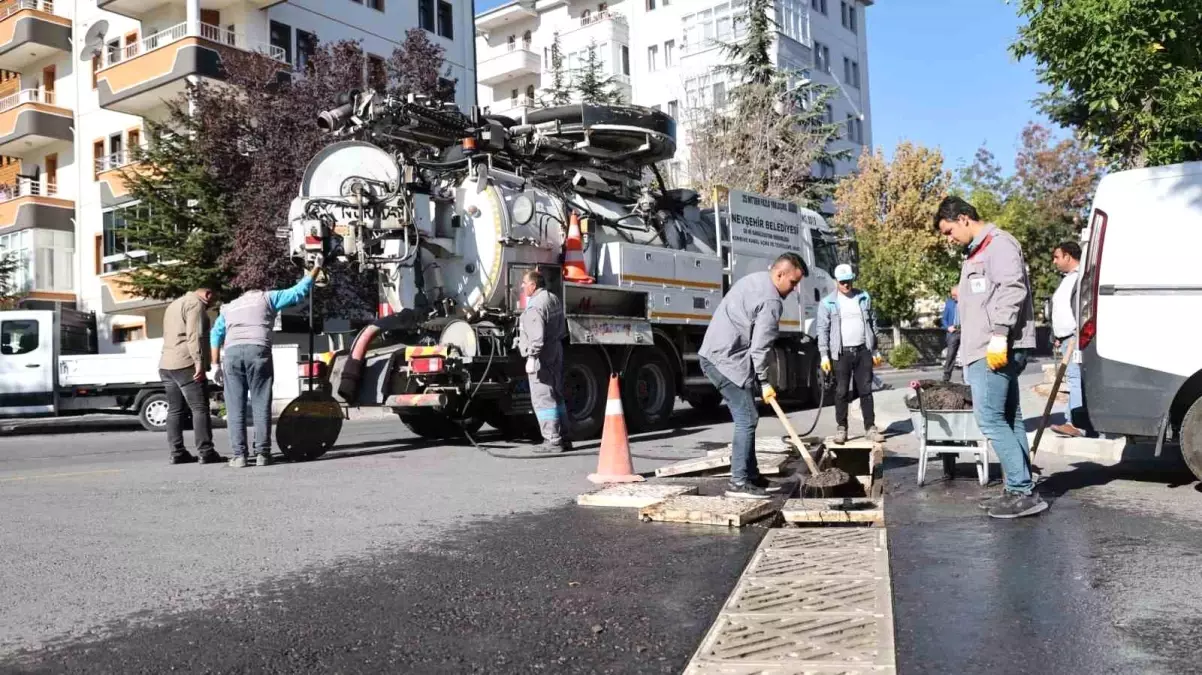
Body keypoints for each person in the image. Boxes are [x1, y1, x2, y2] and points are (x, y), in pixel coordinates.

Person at [935, 196, 1047, 519]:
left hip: (993, 348)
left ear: (964, 219)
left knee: (989, 418)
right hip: (985, 347)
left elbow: (1013, 288)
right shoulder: (976, 252)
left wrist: (999, 334)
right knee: (1008, 417)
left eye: (948, 231)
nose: (948, 238)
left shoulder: (999, 245)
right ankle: (1017, 488)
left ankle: (1023, 490)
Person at [699, 253, 807, 499]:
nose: (793, 289)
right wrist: (765, 381)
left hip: (719, 354)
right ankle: (738, 483)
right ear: (780, 274)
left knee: (748, 414)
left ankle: (751, 476)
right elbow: (760, 348)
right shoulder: (771, 301)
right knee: (747, 418)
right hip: (725, 360)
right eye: (792, 283)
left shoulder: (756, 280)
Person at [211, 261, 322, 468]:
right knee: (261, 404)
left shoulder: (228, 307)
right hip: (257, 350)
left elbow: (215, 334)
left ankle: (239, 456)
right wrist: (316, 268)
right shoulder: (268, 297)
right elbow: (299, 291)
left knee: (235, 407)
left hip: (232, 354)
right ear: (260, 288)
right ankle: (263, 454)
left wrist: (215, 365)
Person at [817, 264, 885, 444]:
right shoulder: (828, 303)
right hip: (841, 353)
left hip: (863, 350)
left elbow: (872, 324)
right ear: (836, 282)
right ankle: (842, 428)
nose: (846, 285)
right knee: (841, 392)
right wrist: (824, 355)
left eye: (849, 281)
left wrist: (875, 349)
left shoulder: (863, 297)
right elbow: (822, 329)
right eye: (842, 282)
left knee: (866, 390)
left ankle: (870, 428)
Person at [160, 283, 222, 465]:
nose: (211, 305)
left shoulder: (174, 304)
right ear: (208, 294)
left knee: (175, 410)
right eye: (213, 300)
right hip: (186, 363)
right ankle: (206, 451)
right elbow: (194, 336)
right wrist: (199, 364)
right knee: (199, 408)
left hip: (166, 364)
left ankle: (177, 452)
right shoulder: (195, 304)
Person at [518, 269, 572, 454]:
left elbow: (537, 337)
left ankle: (553, 440)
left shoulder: (535, 306)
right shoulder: (552, 298)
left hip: (541, 356)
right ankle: (564, 437)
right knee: (556, 395)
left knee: (543, 398)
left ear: (533, 285)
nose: (522, 286)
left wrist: (531, 356)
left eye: (525, 283)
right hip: (555, 350)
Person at [1048, 241, 1093, 438]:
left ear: (1068, 256)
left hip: (1076, 338)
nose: (1054, 261)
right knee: (1074, 380)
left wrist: (1076, 333)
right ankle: (1073, 420)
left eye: (1057, 257)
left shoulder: (1081, 277)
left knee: (1076, 379)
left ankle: (1077, 424)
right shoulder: (1066, 279)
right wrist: (1056, 335)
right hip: (1066, 338)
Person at [942, 286, 960, 383]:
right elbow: (943, 319)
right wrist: (948, 327)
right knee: (950, 355)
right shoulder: (949, 303)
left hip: (964, 332)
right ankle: (946, 377)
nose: (953, 297)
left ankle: (966, 377)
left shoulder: (965, 302)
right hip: (953, 332)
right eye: (952, 295)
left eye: (955, 295)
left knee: (967, 355)